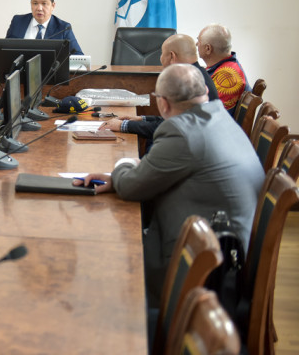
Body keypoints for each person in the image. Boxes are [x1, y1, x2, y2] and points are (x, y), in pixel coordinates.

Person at [76, 64, 264, 306]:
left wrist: (124, 163)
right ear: (206, 91)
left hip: (201, 267)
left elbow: (131, 187)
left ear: (163, 103)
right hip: (230, 251)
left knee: (99, 261)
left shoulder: (181, 131)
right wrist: (136, 171)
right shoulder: (219, 116)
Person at [103, 34, 220, 140]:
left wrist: (123, 125)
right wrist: (142, 119)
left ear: (172, 56)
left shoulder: (188, 81)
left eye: (162, 53)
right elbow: (173, 120)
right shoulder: (197, 74)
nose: (160, 59)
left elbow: (170, 128)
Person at [5, 0, 83, 54]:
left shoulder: (63, 28)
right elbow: (5, 50)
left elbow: (79, 56)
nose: (39, 8)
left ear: (53, 6)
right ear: (31, 4)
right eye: (35, 3)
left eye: (44, 4)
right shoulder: (18, 21)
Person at [196, 23, 250, 112]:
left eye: (199, 41)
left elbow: (211, 113)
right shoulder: (223, 66)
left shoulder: (228, 77)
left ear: (208, 49)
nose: (196, 44)